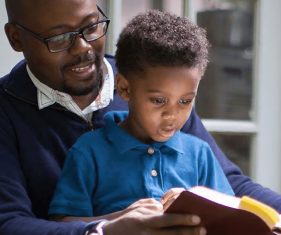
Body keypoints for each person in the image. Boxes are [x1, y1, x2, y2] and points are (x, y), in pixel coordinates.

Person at [0, 0, 281, 235]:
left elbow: (229, 185)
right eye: (59, 38)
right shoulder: (7, 111)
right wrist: (106, 229)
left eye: (91, 26)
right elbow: (8, 222)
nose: (83, 47)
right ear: (16, 38)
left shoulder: (155, 80)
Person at [48, 9, 234, 222]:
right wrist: (120, 220)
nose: (172, 114)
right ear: (125, 88)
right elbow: (63, 224)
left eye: (185, 101)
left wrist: (196, 203)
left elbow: (229, 216)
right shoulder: (88, 152)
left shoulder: (200, 154)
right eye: (158, 100)